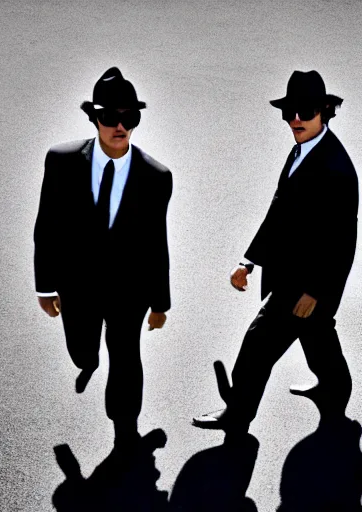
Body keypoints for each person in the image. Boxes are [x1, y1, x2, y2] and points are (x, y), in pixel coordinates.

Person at [193, 70, 358, 435]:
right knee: (317, 337)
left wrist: (315, 292)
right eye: (289, 113)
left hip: (306, 283)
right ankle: (335, 391)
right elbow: (279, 211)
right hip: (287, 274)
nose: (295, 119)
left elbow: (342, 242)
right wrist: (248, 261)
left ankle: (237, 414)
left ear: (325, 111)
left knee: (257, 346)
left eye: (305, 111)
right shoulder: (302, 149)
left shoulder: (337, 170)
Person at [34, 67, 173, 449]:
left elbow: (156, 243)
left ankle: (126, 428)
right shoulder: (61, 161)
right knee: (82, 351)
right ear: (94, 118)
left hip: (130, 289)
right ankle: (87, 358)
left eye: (129, 117)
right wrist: (45, 287)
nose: (120, 125)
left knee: (126, 354)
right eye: (110, 117)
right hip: (77, 286)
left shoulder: (156, 176)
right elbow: (46, 225)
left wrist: (160, 303)